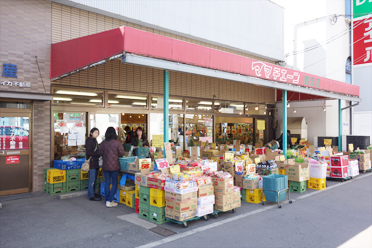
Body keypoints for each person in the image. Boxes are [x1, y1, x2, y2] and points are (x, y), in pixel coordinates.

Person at [99, 127, 125, 208]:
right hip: (114, 166)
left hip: (105, 165)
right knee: (114, 183)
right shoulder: (117, 143)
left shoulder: (103, 143)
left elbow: (99, 152)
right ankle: (110, 200)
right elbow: (122, 153)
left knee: (107, 182)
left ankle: (107, 200)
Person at [86, 128, 101, 201]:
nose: (96, 134)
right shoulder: (89, 140)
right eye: (95, 132)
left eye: (97, 133)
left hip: (95, 162)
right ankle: (91, 195)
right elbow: (89, 152)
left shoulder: (95, 140)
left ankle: (93, 193)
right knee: (92, 180)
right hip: (91, 163)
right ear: (91, 133)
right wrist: (98, 153)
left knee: (94, 180)